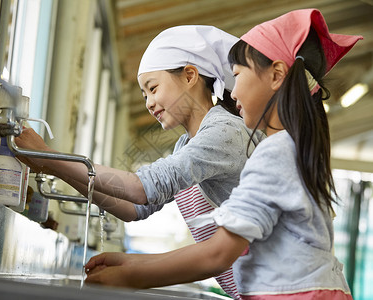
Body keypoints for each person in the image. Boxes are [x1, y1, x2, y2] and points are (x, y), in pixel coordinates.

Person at [84, 9, 363, 299]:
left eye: (238, 75)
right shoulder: (284, 147)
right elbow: (222, 249)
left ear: (277, 75)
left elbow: (217, 254)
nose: (233, 90)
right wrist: (130, 262)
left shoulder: (271, 150)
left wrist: (129, 275)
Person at [16, 25, 263, 299]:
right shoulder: (187, 145)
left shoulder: (224, 132)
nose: (148, 102)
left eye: (153, 88)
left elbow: (140, 188)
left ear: (190, 75)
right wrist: (51, 164)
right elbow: (132, 207)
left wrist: (49, 156)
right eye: (144, 94)